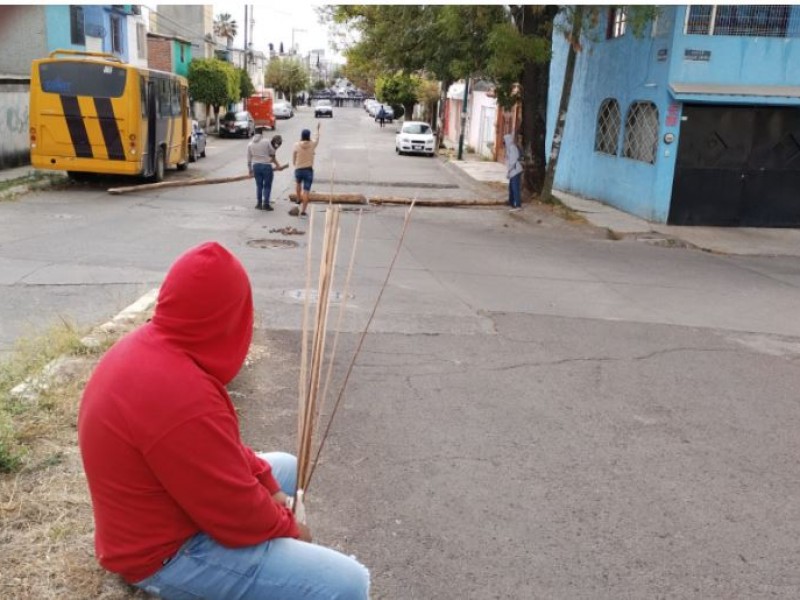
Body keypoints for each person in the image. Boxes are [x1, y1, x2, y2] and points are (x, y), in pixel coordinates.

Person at [78, 241, 370, 599]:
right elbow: (234, 514)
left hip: (159, 514)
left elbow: (221, 449)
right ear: (231, 318)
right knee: (347, 583)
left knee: (285, 469)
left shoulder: (154, 348)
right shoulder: (181, 396)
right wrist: (291, 529)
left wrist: (268, 483)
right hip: (163, 554)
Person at [247, 129, 286, 211]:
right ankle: (266, 204)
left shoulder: (250, 144)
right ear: (262, 134)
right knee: (267, 186)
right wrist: (277, 165)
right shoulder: (266, 141)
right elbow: (272, 153)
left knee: (259, 186)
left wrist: (250, 170)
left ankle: (259, 204)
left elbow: (249, 158)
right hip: (266, 166)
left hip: (256, 166)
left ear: (254, 134)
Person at [292, 123, 320, 217]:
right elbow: (317, 139)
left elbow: (294, 156)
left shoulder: (296, 145)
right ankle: (303, 211)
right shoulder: (312, 144)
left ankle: (298, 198)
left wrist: (294, 163)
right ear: (309, 136)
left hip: (298, 169)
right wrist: (317, 129)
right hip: (308, 170)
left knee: (298, 183)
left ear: (301, 136)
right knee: (306, 191)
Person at [504, 133, 523, 212]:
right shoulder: (510, 147)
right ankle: (511, 202)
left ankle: (518, 205)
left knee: (515, 188)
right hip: (513, 170)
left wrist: (509, 171)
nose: (504, 143)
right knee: (511, 187)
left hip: (515, 170)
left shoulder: (512, 148)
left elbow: (513, 161)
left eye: (504, 141)